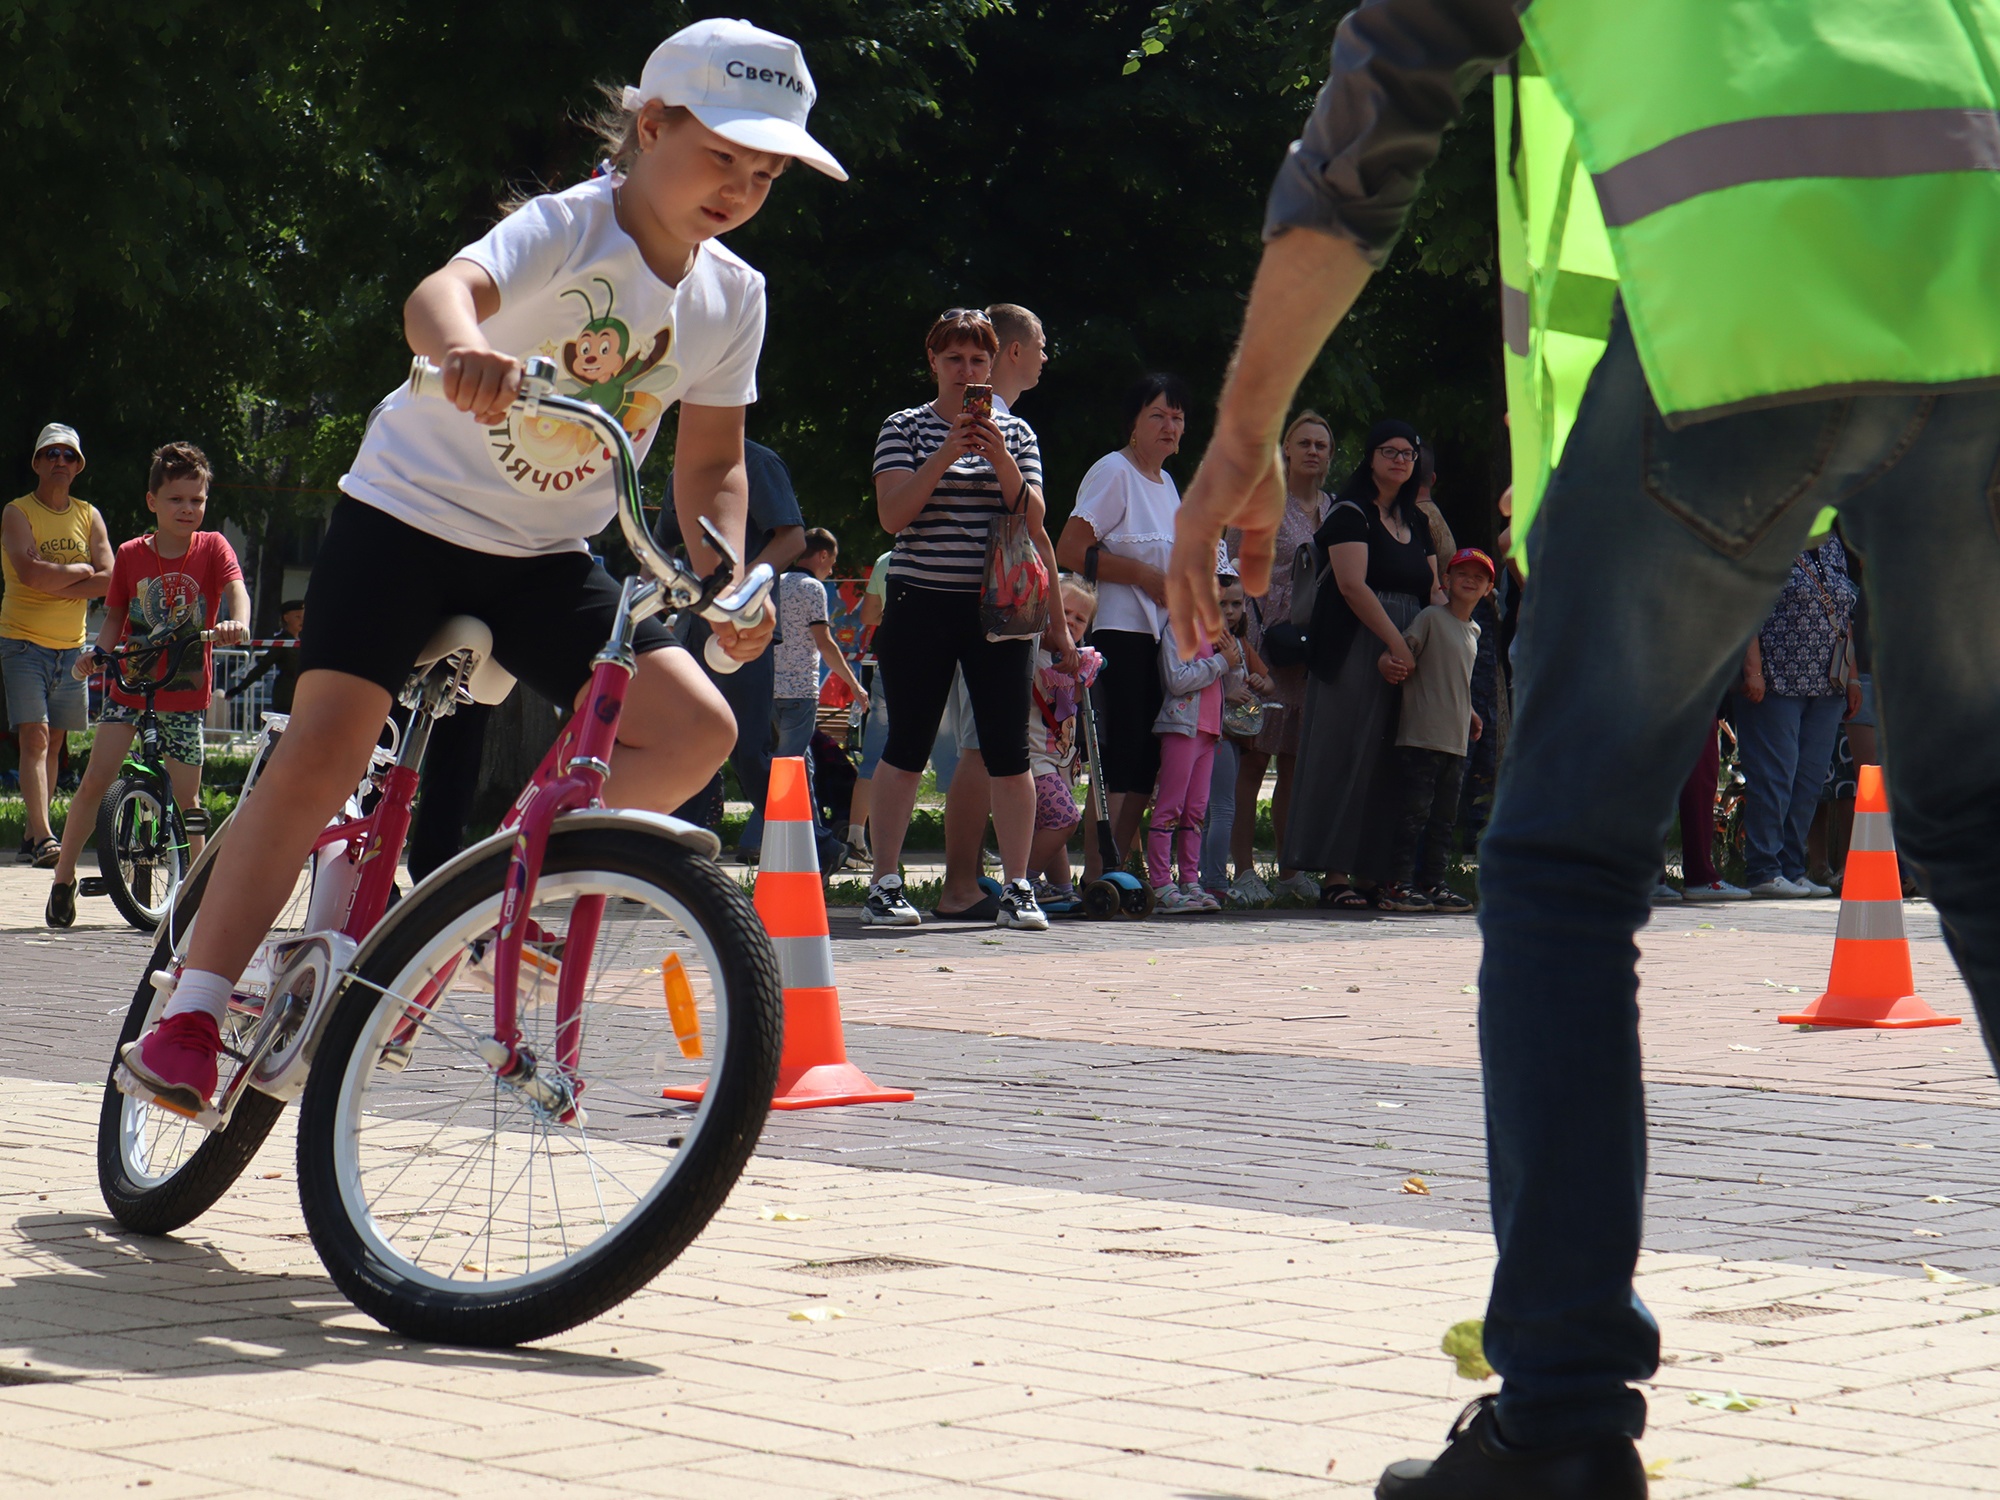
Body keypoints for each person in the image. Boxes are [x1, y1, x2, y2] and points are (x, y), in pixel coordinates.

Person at [1169, 3, 2000, 1492]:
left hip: (1752, 300)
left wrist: (1243, 428)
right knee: (1993, 837)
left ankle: (1556, 1419)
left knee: (1561, 861)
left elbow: (1374, 124)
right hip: (1983, 298)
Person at [116, 18, 835, 1124]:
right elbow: (437, 296)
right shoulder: (568, 225)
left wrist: (723, 571)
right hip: (404, 516)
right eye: (720, 156)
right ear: (649, 127)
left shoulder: (733, 295)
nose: (739, 186)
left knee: (694, 728)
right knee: (325, 745)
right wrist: (464, 348)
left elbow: (711, 463)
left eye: (766, 171)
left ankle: (495, 894)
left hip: (543, 555)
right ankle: (195, 1010)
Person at [862, 308, 1069, 931]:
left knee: (1009, 751)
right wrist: (947, 451)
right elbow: (894, 517)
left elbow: (1033, 519)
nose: (967, 372)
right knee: (907, 744)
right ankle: (884, 884)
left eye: (978, 360)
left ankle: (1016, 888)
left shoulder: (1019, 435)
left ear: (993, 364)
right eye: (954, 359)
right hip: (920, 599)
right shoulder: (903, 428)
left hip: (1000, 607)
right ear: (934, 363)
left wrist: (999, 455)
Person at [46, 443, 251, 926]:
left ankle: (201, 888)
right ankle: (62, 877)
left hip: (184, 694)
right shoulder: (131, 555)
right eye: (177, 499)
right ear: (152, 501)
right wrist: (99, 654)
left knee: (190, 799)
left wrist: (237, 623)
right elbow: (116, 616)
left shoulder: (213, 547)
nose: (188, 509)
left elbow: (237, 589)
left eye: (197, 500)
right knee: (97, 779)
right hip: (130, 686)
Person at [1282, 419, 1441, 907]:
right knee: (1346, 753)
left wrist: (1422, 648)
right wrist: (1395, 643)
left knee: (1391, 760)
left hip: (1406, 648)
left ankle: (1376, 875)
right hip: (1356, 645)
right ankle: (1334, 877)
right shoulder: (1351, 513)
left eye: (1408, 453)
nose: (1399, 460)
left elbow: (1432, 588)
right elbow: (1352, 586)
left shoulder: (1416, 521)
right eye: (1388, 451)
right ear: (1370, 458)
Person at [929, 301, 1054, 920]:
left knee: (992, 747)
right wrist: (1053, 616)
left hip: (994, 603)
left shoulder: (1008, 429)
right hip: (982, 603)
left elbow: (1033, 524)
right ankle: (961, 884)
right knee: (988, 748)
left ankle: (972, 882)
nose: (1045, 356)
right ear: (1013, 351)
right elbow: (1035, 531)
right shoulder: (982, 422)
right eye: (1039, 344)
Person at [1056, 373, 1198, 879]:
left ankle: (1116, 869)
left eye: (1177, 417)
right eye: (1158, 415)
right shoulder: (1113, 471)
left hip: (1159, 641)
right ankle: (1099, 872)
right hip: (1115, 634)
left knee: (1145, 756)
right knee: (1117, 755)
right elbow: (1069, 549)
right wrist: (1141, 575)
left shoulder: (1168, 484)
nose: (1170, 425)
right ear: (1133, 425)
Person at [658, 438, 806, 853]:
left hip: (743, 632)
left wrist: (739, 592)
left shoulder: (758, 462)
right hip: (690, 632)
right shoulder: (681, 468)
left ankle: (816, 847)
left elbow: (792, 540)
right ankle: (672, 857)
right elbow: (661, 547)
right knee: (687, 740)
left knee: (748, 749)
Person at [1226, 411, 1331, 904]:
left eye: (1322, 445)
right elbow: (1233, 574)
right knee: (1254, 760)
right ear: (1286, 449)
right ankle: (1243, 870)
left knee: (1295, 764)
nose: (1313, 451)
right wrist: (1247, 649)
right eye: (1304, 442)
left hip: (1315, 655)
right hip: (1267, 650)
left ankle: (1291, 870)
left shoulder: (1335, 510)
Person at [2, 422, 112, 867]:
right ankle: (48, 837)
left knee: (55, 744)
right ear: (37, 462)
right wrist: (80, 570)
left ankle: (32, 833)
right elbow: (28, 576)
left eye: (69, 455)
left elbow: (108, 579)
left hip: (73, 646)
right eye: (51, 454)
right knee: (35, 738)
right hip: (23, 643)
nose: (60, 461)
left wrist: (55, 574)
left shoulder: (89, 514)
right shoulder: (16, 511)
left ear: (79, 465)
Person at [1735, 534, 1859, 898]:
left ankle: (1791, 868)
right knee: (1775, 775)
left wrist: (1852, 675)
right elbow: (1746, 607)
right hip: (1776, 682)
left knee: (1807, 781)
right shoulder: (1768, 539)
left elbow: (1844, 612)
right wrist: (1753, 669)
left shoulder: (1834, 545)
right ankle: (1763, 869)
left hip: (1828, 685)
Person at [1379, 548, 1490, 914]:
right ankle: (1397, 884)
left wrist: (1470, 713)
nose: (1470, 580)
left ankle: (1432, 882)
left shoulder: (1474, 630)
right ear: (1446, 580)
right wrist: (1385, 662)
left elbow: (1455, 678)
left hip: (1455, 740)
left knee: (1444, 819)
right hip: (1421, 735)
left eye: (1479, 576)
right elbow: (1400, 651)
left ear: (1489, 588)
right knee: (1413, 814)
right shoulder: (1430, 618)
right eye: (1462, 573)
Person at [763, 527, 867, 868]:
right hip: (800, 691)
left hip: (767, 688)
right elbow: (824, 642)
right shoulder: (812, 588)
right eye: (832, 562)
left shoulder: (772, 582)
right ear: (821, 555)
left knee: (780, 763)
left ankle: (778, 838)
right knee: (797, 767)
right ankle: (814, 844)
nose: (832, 570)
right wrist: (853, 684)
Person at [1148, 586, 1246, 913]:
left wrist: (1234, 659)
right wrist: (1220, 662)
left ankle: (1190, 881)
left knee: (1196, 812)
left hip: (1209, 733)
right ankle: (1161, 883)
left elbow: (1233, 686)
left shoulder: (1215, 633)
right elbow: (1177, 679)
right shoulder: (1179, 626)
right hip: (1181, 728)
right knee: (1170, 807)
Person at [1027, 576, 1100, 904]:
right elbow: (1047, 682)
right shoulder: (1036, 655)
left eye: (1079, 618)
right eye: (1063, 612)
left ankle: (1061, 889)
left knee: (1051, 823)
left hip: (1061, 760)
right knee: (1065, 818)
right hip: (1036, 757)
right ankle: (1022, 880)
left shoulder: (1073, 662)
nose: (1069, 621)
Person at [1199, 572, 1272, 901]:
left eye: (1236, 604)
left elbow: (1268, 682)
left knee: (1211, 810)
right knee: (1223, 808)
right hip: (1217, 735)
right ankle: (1213, 879)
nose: (1229, 611)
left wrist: (1258, 683)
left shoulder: (1241, 644)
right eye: (1221, 604)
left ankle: (1203, 877)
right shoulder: (1205, 642)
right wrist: (1227, 692)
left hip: (1232, 735)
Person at [846, 546, 893, 860]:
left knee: (874, 758)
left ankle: (855, 839)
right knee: (956, 758)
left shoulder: (886, 560)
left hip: (891, 661)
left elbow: (867, 615)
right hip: (943, 664)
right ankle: (967, 849)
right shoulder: (957, 549)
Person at [227, 599, 305, 714]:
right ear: (286, 618)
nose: (302, 620)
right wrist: (240, 687)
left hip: (303, 693)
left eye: (303, 616)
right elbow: (263, 665)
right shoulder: (281, 642)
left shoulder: (302, 639)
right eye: (297, 617)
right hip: (287, 695)